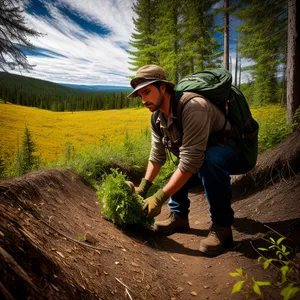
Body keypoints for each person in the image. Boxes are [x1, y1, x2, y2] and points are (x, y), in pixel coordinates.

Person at [127, 65, 241, 256]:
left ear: (163, 87)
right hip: (200, 156)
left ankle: (223, 228)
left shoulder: (194, 107)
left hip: (229, 152)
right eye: (140, 95)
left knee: (209, 160)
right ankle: (179, 216)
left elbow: (190, 162)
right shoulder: (157, 117)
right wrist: (143, 188)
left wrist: (159, 198)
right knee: (192, 162)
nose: (144, 100)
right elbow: (157, 155)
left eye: (147, 92)